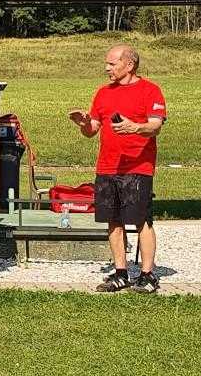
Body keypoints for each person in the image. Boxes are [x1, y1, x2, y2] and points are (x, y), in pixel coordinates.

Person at [69, 44, 166, 293]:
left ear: (129, 64)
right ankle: (121, 272)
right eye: (107, 64)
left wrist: (136, 127)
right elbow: (92, 131)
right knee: (113, 220)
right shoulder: (103, 93)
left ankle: (147, 275)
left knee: (141, 219)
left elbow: (155, 125)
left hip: (138, 167)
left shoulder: (150, 90)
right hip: (107, 166)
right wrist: (83, 123)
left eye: (112, 64)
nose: (107, 68)